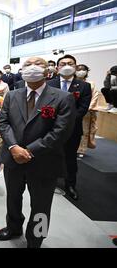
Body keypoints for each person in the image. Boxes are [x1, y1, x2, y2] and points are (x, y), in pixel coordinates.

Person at [0, 57, 75, 248]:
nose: (32, 68)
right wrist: (14, 147)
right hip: (13, 158)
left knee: (41, 205)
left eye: (38, 64)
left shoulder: (63, 97)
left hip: (44, 161)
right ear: (21, 71)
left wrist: (29, 151)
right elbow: (3, 123)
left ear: (48, 70)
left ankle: (36, 238)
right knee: (13, 197)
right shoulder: (12, 95)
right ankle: (13, 227)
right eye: (27, 65)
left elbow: (60, 132)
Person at [47, 54, 91, 200]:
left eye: (70, 63)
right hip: (50, 128)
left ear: (75, 67)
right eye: (63, 63)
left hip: (73, 129)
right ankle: (49, 181)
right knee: (50, 155)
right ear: (57, 67)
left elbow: (83, 108)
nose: (66, 66)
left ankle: (70, 184)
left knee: (70, 158)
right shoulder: (49, 84)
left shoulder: (84, 86)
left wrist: (65, 121)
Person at [75, 65, 100, 157]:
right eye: (79, 69)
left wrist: (89, 107)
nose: (81, 71)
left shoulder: (91, 84)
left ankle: (81, 150)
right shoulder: (72, 83)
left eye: (83, 69)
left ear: (87, 72)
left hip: (86, 111)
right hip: (73, 111)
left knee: (84, 131)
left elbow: (95, 96)